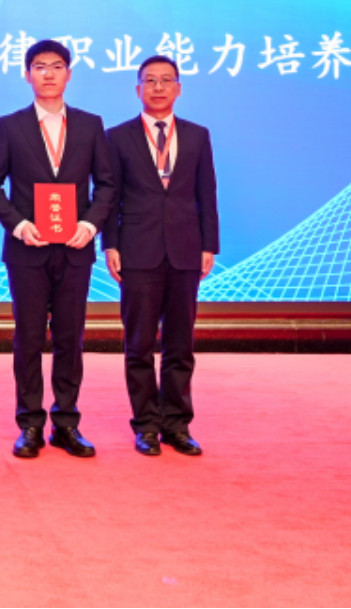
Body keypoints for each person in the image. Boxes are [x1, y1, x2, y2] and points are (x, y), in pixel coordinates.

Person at [0, 39, 117, 459]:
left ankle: (67, 422)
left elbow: (107, 184)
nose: (48, 73)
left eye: (57, 66)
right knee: (28, 337)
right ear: (27, 75)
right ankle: (30, 424)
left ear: (69, 74)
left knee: (70, 338)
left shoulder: (91, 125)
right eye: (39, 66)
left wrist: (90, 225)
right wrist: (19, 225)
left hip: (75, 249)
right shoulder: (10, 126)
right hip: (28, 250)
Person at [102, 55, 219, 457]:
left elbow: (207, 194)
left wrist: (209, 245)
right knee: (138, 345)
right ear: (138, 89)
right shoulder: (118, 137)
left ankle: (177, 425)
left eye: (166, 80)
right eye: (149, 81)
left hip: (186, 250)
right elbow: (111, 197)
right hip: (137, 251)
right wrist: (110, 244)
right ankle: (146, 425)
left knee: (179, 344)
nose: (157, 87)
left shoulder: (198, 136)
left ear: (178, 88)